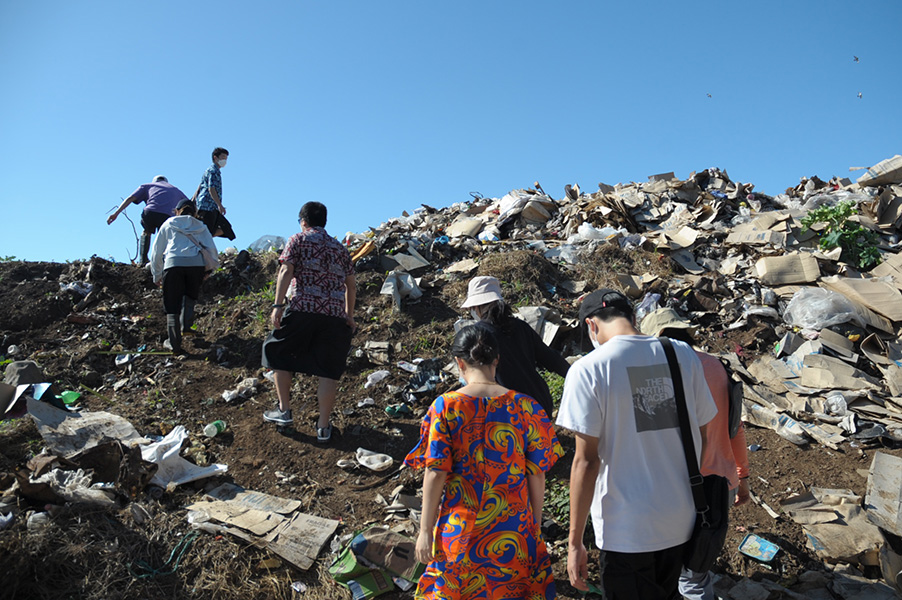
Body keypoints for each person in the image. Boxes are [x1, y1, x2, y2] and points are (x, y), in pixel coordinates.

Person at [556, 289, 717, 600]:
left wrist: (575, 541)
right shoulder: (681, 353)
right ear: (632, 317)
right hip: (682, 520)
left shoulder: (588, 370)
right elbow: (705, 433)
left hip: (625, 530)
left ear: (591, 326)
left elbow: (586, 461)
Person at [404, 323, 564, 600]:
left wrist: (425, 530)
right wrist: (534, 527)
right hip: (513, 529)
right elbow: (537, 474)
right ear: (497, 360)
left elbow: (435, 472)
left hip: (461, 529)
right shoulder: (527, 407)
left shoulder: (445, 407)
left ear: (459, 362)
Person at [640, 307, 751, 600]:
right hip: (719, 487)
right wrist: (744, 477)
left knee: (682, 578)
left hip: (674, 494)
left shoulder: (652, 376)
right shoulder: (716, 366)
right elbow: (734, 428)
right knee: (697, 569)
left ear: (657, 338)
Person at [261, 201, 355, 443]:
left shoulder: (298, 240)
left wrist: (278, 305)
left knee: (277, 351)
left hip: (303, 308)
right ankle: (323, 427)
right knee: (328, 370)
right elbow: (351, 284)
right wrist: (348, 315)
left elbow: (286, 271)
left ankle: (284, 410)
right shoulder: (339, 248)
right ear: (324, 221)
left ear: (303, 221)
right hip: (333, 316)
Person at [460, 275, 570, 418]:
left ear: (476, 307)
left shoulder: (478, 335)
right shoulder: (520, 326)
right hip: (539, 403)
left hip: (511, 411)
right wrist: (576, 376)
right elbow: (551, 359)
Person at [148, 198, 219, 355]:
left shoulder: (169, 223)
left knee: (172, 304)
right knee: (189, 295)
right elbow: (212, 250)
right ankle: (185, 326)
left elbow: (157, 252)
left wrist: (157, 274)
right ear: (194, 212)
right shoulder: (201, 226)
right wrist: (209, 270)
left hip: (173, 264)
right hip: (196, 266)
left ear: (177, 211)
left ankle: (174, 344)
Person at [107, 175, 188, 265]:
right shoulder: (176, 190)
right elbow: (189, 204)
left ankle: (143, 260)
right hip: (167, 216)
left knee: (146, 232)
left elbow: (130, 198)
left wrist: (116, 214)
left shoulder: (147, 185)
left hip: (150, 212)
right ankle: (163, 261)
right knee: (164, 237)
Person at [192, 147, 235, 240]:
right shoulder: (212, 171)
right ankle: (200, 243)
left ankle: (202, 240)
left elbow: (201, 185)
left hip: (210, 206)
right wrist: (219, 205)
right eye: (223, 157)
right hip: (207, 206)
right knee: (209, 230)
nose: (224, 161)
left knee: (226, 228)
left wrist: (194, 198)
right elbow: (211, 188)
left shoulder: (213, 171)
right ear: (216, 158)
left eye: (226, 159)